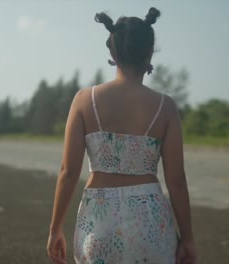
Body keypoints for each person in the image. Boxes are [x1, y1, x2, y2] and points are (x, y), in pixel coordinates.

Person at [47, 7, 196, 264]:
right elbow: (176, 181)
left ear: (112, 52)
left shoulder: (84, 100)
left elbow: (69, 172)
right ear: (150, 52)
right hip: (150, 223)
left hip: (99, 220)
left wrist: (55, 229)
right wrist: (189, 239)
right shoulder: (165, 106)